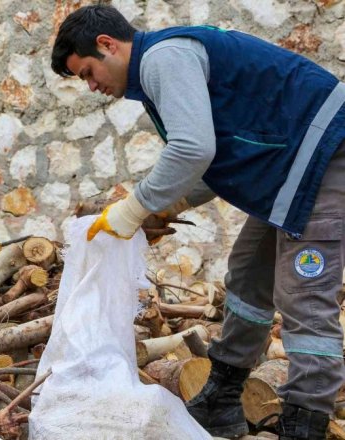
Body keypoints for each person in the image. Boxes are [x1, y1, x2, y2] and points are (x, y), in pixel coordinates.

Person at [51, 5, 345, 440]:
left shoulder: (163, 59)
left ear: (107, 44)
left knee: (304, 297)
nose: (92, 86)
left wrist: (132, 210)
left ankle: (306, 421)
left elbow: (192, 149)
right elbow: (214, 159)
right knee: (247, 276)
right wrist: (167, 208)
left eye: (88, 73)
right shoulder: (162, 65)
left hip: (327, 157)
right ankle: (221, 399)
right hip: (290, 173)